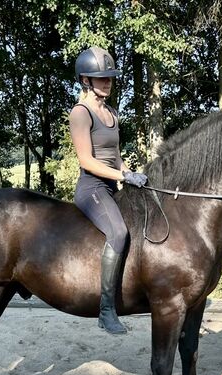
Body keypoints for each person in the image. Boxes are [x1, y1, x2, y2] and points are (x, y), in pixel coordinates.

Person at [70, 46, 147, 334]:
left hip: (112, 183)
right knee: (118, 232)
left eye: (110, 78)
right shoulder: (81, 113)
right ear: (86, 80)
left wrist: (129, 173)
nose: (108, 82)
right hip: (92, 188)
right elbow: (87, 160)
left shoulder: (112, 113)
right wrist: (121, 177)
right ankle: (105, 310)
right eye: (101, 78)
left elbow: (114, 155)